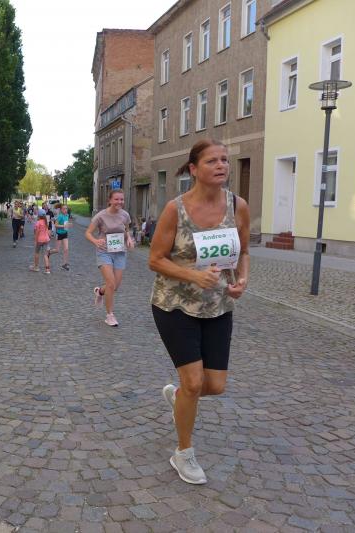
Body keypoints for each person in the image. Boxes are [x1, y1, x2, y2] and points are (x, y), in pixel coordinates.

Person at [148, 139, 249, 485]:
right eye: (212, 161)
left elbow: (243, 251)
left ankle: (180, 398)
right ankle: (183, 453)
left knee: (214, 385)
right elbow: (154, 259)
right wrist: (193, 275)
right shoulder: (175, 209)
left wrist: (242, 279)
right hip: (174, 304)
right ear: (193, 169)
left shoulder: (237, 206)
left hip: (218, 306)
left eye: (224, 160)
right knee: (193, 382)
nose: (221, 165)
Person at [85, 189, 135, 326]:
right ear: (110, 200)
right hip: (104, 251)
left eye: (121, 199)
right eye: (116, 199)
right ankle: (110, 315)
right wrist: (95, 241)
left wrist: (129, 239)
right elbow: (88, 233)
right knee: (111, 283)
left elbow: (126, 229)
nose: (119, 202)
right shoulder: (101, 216)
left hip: (120, 252)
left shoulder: (125, 215)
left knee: (115, 286)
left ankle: (100, 291)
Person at [30, 208, 53, 274]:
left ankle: (36, 267)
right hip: (46, 240)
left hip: (40, 240)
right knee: (45, 255)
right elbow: (47, 231)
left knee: (37, 253)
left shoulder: (38, 223)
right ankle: (47, 270)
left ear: (39, 215)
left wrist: (35, 240)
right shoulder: (46, 222)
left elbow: (37, 233)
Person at [55, 203, 71, 270]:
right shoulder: (60, 216)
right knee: (57, 250)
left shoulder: (67, 215)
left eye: (66, 209)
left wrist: (69, 225)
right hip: (59, 234)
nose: (65, 210)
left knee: (66, 249)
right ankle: (49, 252)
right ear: (61, 210)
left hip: (65, 233)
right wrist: (63, 226)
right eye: (64, 209)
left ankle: (64, 264)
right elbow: (56, 225)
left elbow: (66, 224)